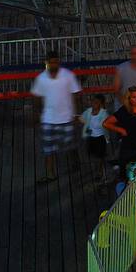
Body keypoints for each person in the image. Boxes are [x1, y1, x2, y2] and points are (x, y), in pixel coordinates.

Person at [30, 51, 81, 181]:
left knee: (70, 146)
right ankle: (50, 173)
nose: (53, 64)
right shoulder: (40, 79)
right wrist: (37, 115)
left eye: (55, 61)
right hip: (48, 119)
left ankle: (76, 164)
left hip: (67, 118)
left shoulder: (68, 76)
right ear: (46, 63)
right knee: (48, 150)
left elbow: (76, 95)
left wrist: (76, 114)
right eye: (51, 62)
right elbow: (36, 98)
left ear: (58, 62)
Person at [104, 86, 136, 184]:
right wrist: (121, 130)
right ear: (129, 99)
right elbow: (106, 123)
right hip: (129, 145)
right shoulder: (124, 111)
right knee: (126, 171)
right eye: (134, 97)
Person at [81, 93, 109, 179]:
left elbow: (106, 126)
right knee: (93, 155)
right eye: (93, 101)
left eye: (96, 102)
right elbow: (82, 118)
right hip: (91, 137)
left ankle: (100, 171)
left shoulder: (104, 114)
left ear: (101, 105)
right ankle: (97, 169)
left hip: (100, 138)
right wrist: (87, 129)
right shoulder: (88, 111)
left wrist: (107, 138)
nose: (93, 104)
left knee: (100, 156)